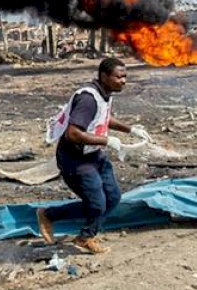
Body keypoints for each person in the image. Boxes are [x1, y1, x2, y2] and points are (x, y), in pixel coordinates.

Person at [36, 57, 152, 254]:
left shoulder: (105, 93)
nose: (123, 81)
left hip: (94, 155)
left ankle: (84, 233)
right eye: (118, 77)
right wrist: (107, 141)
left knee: (113, 198)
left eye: (125, 77)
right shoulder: (88, 99)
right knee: (97, 204)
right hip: (76, 159)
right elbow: (73, 133)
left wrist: (130, 130)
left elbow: (103, 118)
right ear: (104, 76)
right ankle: (56, 220)